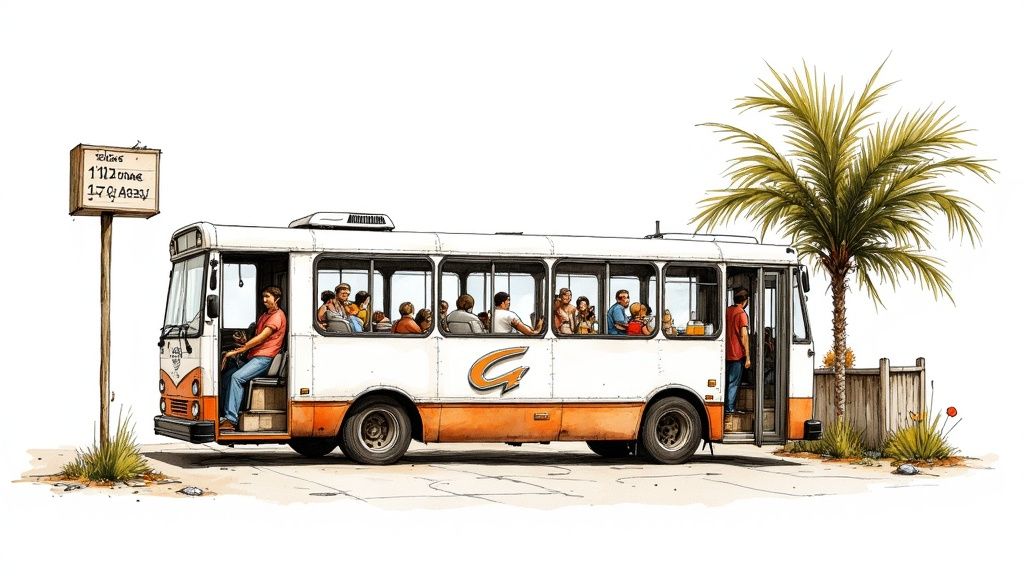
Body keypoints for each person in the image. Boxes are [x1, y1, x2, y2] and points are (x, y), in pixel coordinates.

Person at [219, 286, 287, 432]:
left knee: (237, 378)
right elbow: (255, 337)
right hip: (254, 355)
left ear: (277, 299)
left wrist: (242, 348)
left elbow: (262, 337)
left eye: (267, 297)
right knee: (226, 377)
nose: (264, 300)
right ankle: (222, 415)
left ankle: (231, 420)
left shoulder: (277, 316)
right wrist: (243, 340)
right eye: (263, 297)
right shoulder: (264, 315)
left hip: (264, 358)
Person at [725, 288, 751, 414]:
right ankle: (729, 409)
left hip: (725, 353)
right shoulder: (741, 314)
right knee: (733, 383)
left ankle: (727, 407)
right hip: (737, 355)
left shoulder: (727, 311)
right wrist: (748, 357)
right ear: (745, 301)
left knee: (726, 382)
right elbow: (744, 336)